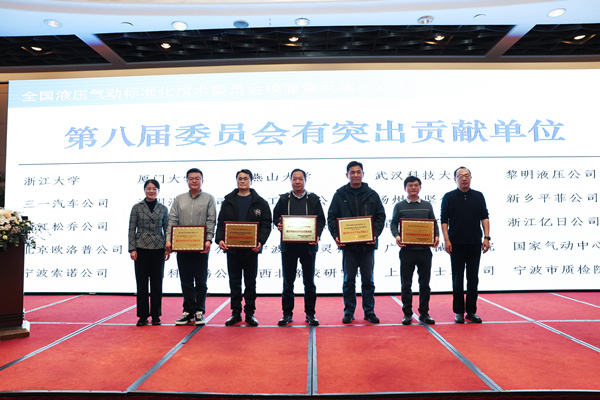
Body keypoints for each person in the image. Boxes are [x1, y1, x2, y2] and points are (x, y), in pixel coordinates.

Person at [327, 161, 386, 324]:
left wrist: (375, 234)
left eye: (358, 172)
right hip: (348, 246)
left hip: (368, 245)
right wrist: (336, 236)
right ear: (347, 175)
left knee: (368, 280)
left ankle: (369, 311)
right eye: (352, 172)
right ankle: (349, 311)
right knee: (348, 280)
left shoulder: (372, 194)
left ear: (363, 174)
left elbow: (381, 216)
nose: (355, 175)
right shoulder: (340, 195)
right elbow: (331, 217)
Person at [216, 169, 272, 326]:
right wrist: (220, 239)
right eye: (240, 179)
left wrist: (260, 241)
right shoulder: (228, 201)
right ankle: (235, 313)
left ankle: (249, 313)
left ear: (251, 181)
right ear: (236, 181)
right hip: (232, 249)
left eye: (245, 178)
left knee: (250, 282)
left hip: (251, 250)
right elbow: (221, 223)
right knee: (234, 282)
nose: (242, 181)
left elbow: (266, 224)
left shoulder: (260, 202)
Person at [273, 168, 326, 326]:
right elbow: (275, 216)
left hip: (308, 247)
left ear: (305, 181)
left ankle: (310, 314)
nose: (297, 182)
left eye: (300, 179)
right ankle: (287, 314)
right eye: (294, 179)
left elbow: (321, 220)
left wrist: (317, 235)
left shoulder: (313, 199)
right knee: (288, 282)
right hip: (288, 247)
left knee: (309, 282)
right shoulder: (284, 199)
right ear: (290, 180)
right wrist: (279, 224)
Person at [166, 168, 216, 326]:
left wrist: (208, 240)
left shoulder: (209, 198)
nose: (194, 181)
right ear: (187, 180)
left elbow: (211, 220)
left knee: (201, 280)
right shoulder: (179, 199)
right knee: (186, 280)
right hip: (182, 246)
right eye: (191, 178)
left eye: (197, 178)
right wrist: (169, 240)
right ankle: (188, 311)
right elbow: (172, 220)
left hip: (201, 247)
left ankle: (200, 310)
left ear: (202, 180)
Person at [440, 167, 490, 324]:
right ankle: (459, 312)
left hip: (474, 242)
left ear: (471, 178)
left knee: (473, 278)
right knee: (457, 278)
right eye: (460, 176)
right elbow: (444, 220)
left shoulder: (478, 196)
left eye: (467, 175)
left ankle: (471, 311)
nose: (464, 178)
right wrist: (446, 240)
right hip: (456, 243)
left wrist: (486, 237)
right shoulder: (449, 197)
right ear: (455, 179)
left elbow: (485, 217)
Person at [390, 176, 439, 325]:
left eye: (416, 185)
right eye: (410, 185)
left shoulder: (427, 205)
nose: (413, 187)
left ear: (420, 188)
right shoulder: (399, 206)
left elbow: (434, 223)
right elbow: (393, 224)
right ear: (405, 188)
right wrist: (397, 236)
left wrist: (436, 236)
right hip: (407, 251)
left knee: (425, 284)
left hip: (424, 251)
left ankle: (424, 313)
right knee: (406, 284)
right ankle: (407, 314)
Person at [128, 179, 170, 326]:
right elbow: (131, 229)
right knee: (142, 283)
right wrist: (132, 248)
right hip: (141, 248)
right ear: (144, 190)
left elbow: (167, 229)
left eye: (154, 188)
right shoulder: (136, 207)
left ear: (158, 191)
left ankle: (156, 315)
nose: (151, 191)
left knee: (157, 283)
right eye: (148, 188)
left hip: (158, 248)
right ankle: (142, 315)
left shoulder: (163, 208)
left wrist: (168, 248)